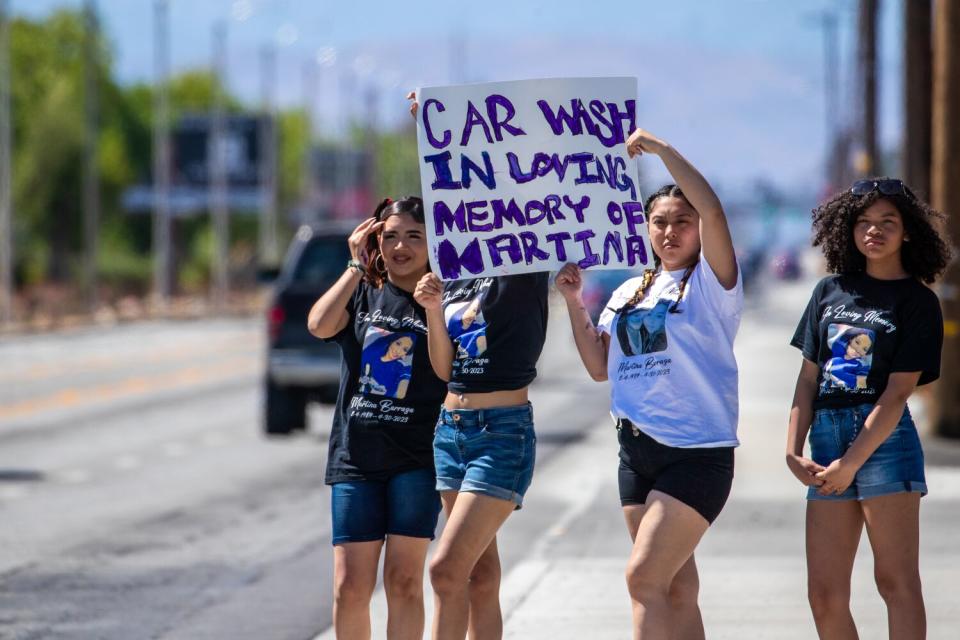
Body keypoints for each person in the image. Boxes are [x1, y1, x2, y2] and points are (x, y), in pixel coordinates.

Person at [555, 128, 742, 639]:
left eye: (683, 222)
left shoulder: (711, 283)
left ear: (699, 230)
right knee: (675, 588)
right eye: (659, 222)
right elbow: (599, 365)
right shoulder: (627, 291)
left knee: (642, 577)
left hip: (695, 452)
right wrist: (574, 302)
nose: (670, 232)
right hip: (636, 454)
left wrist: (661, 152)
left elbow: (716, 211)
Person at [408, 98, 551, 640]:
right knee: (480, 575)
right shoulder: (456, 268)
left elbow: (505, 178)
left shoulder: (524, 257)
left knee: (445, 569)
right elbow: (445, 370)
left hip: (501, 436)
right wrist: (429, 310)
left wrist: (446, 125)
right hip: (452, 432)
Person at [786, 178, 950, 640]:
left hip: (884, 439)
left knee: (895, 582)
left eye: (887, 223)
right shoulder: (828, 290)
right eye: (863, 223)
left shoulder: (918, 301)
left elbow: (898, 393)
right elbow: (807, 377)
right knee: (824, 593)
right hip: (825, 436)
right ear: (848, 230)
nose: (873, 231)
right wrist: (791, 450)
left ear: (908, 231)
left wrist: (851, 462)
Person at [307, 196, 448, 640]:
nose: (401, 246)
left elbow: (447, 371)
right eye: (390, 236)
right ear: (374, 240)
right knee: (349, 587)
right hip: (356, 459)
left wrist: (433, 308)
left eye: (413, 236)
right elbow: (319, 325)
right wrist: (354, 266)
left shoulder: (443, 295)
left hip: (416, 460)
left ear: (432, 243)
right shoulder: (364, 288)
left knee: (404, 583)